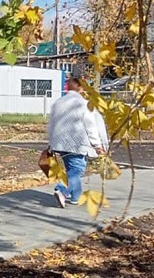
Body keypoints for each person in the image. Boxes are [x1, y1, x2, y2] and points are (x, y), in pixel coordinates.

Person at [46, 77, 108, 208]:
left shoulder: (58, 103)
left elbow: (51, 124)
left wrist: (51, 142)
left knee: (72, 170)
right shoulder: (84, 104)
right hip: (77, 142)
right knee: (77, 170)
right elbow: (90, 126)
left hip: (59, 143)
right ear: (81, 88)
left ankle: (75, 197)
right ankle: (62, 190)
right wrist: (97, 145)